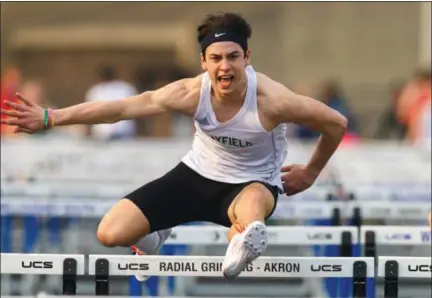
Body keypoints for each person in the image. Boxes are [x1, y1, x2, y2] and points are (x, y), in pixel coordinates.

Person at [1, 12, 348, 279]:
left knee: (252, 211)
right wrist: (50, 118)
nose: (224, 67)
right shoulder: (189, 93)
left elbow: (336, 123)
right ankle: (154, 237)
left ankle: (245, 239)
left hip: (251, 183)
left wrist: (311, 172)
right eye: (216, 58)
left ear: (247, 57)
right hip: (196, 175)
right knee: (110, 233)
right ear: (204, 62)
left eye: (232, 57)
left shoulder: (273, 100)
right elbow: (122, 109)